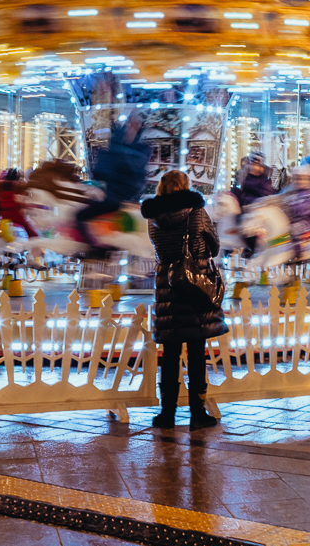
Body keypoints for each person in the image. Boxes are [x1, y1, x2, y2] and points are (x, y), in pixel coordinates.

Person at [142, 170, 226, 430]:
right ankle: (197, 412)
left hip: (167, 287)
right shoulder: (196, 212)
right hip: (194, 287)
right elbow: (212, 246)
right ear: (186, 186)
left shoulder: (152, 217)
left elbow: (160, 249)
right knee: (196, 353)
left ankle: (166, 414)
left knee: (170, 354)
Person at [78, 119, 150, 252]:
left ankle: (94, 250)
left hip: (113, 200)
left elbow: (100, 173)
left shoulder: (116, 152)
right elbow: (141, 181)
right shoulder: (140, 154)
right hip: (132, 200)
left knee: (79, 216)